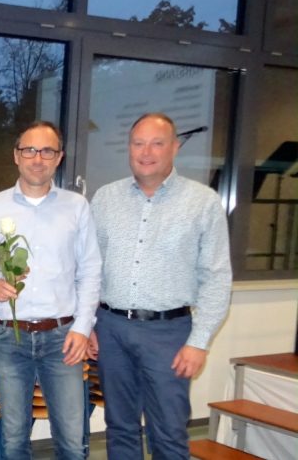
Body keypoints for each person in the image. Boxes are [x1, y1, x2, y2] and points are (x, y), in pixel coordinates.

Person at [88, 113, 232, 459]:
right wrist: (89, 322)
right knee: (119, 426)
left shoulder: (203, 201)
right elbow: (90, 269)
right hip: (111, 329)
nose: (146, 152)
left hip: (169, 333)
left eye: (157, 143)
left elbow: (217, 276)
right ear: (129, 149)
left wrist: (199, 342)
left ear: (175, 148)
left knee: (167, 432)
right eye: (138, 143)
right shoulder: (106, 199)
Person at [0, 121, 102, 460]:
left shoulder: (76, 207)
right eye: (30, 150)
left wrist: (83, 327)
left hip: (63, 337)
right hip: (7, 336)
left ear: (58, 158)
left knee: (72, 441)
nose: (38, 158)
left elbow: (90, 271)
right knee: (14, 439)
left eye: (47, 151)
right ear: (17, 155)